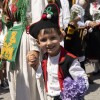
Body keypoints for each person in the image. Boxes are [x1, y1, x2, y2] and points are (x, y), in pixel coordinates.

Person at [28, 3, 89, 100]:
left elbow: (83, 80)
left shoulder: (69, 59)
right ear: (38, 42)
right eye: (44, 40)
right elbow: (43, 74)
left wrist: (74, 92)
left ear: (60, 37)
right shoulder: (45, 58)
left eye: (53, 38)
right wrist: (35, 66)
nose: (48, 43)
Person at [1, 0, 47, 100]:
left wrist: (35, 48)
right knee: (15, 80)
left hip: (27, 39)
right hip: (13, 39)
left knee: (29, 80)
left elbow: (38, 20)